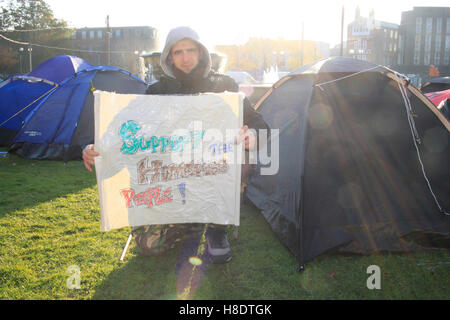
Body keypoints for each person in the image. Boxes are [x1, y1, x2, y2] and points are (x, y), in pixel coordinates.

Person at [82, 26, 268, 264]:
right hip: (174, 178)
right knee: (148, 244)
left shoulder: (225, 87)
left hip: (213, 172)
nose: (186, 57)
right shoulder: (156, 92)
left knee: (240, 159)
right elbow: (123, 129)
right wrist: (95, 148)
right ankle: (189, 222)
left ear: (201, 52)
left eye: (191, 50)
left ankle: (216, 228)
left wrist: (252, 136)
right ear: (169, 56)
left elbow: (260, 126)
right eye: (178, 52)